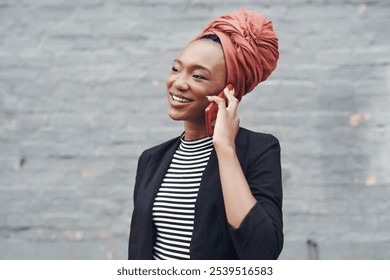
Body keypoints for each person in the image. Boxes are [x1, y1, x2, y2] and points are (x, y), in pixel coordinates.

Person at [128, 8, 283, 260]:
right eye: (176, 69)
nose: (178, 82)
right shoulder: (151, 159)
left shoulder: (257, 151)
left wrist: (224, 148)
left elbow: (262, 253)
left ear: (227, 91)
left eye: (198, 76)